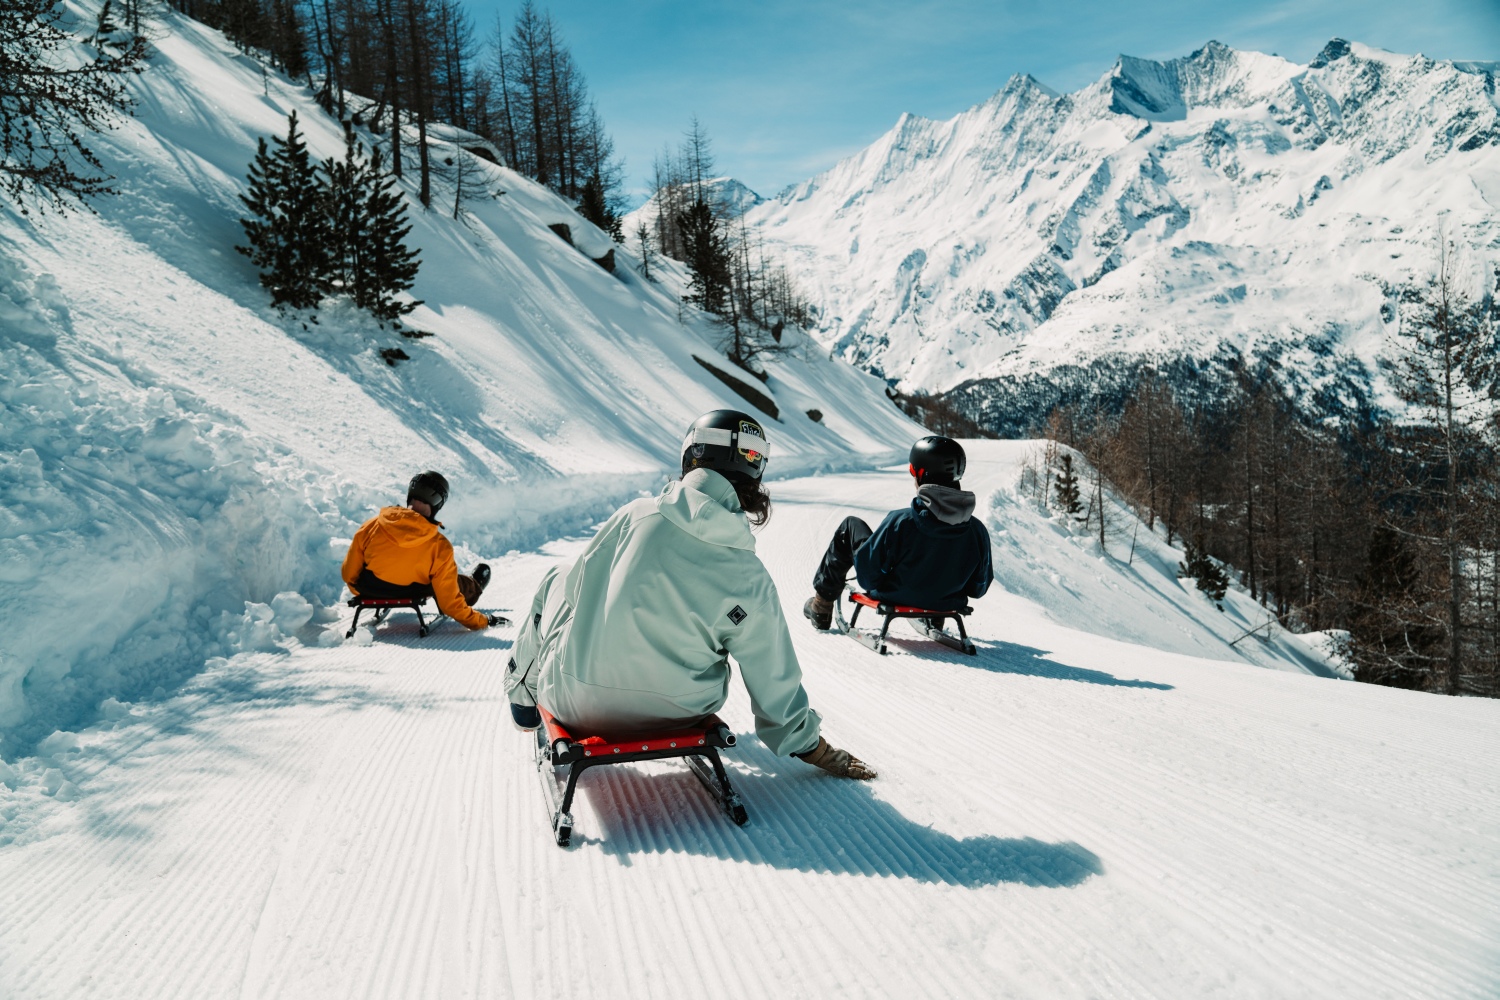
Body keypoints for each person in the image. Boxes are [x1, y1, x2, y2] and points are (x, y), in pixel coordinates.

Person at [505, 410, 874, 780]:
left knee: (559, 576)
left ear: (691, 456)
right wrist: (812, 745)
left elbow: (577, 592)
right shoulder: (750, 578)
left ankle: (523, 699)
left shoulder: (634, 516)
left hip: (577, 703)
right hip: (683, 715)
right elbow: (773, 679)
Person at [803, 436, 993, 630]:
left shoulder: (901, 522)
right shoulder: (977, 531)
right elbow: (978, 588)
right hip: (946, 603)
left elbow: (868, 578)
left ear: (921, 473)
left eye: (912, 470)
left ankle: (821, 607)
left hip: (894, 595)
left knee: (850, 526)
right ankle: (934, 617)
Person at [342, 470, 501, 631]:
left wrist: (365, 590)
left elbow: (349, 574)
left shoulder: (371, 526)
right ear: (439, 503)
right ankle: (472, 586)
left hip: (370, 589)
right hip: (416, 590)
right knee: (446, 580)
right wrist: (483, 621)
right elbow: (449, 604)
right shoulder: (439, 545)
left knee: (441, 576)